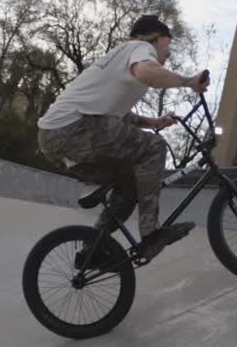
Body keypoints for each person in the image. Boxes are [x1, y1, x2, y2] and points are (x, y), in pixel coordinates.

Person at [37, 14, 209, 260]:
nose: (168, 53)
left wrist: (154, 122)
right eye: (168, 45)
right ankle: (151, 235)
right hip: (72, 128)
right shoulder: (140, 48)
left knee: (130, 184)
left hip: (57, 139)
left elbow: (114, 115)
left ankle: (93, 250)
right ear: (158, 39)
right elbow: (146, 72)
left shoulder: (117, 58)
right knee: (155, 147)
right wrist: (189, 81)